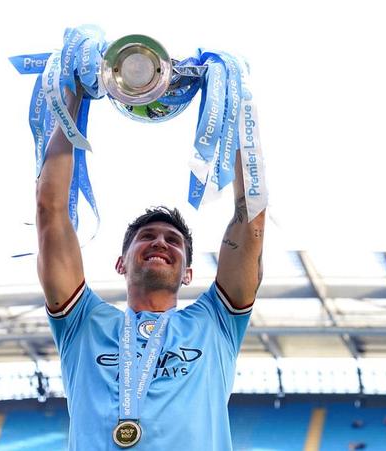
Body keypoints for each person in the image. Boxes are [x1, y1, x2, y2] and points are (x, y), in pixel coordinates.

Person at [36, 85, 266, 450]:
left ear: (188, 273)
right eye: (146, 237)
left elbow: (251, 217)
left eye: (173, 241)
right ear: (121, 263)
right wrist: (72, 97)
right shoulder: (83, 323)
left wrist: (232, 100)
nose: (160, 242)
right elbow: (50, 210)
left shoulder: (215, 323)